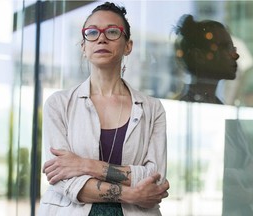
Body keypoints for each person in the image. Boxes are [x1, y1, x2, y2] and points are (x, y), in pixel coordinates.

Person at [38, 2, 169, 216]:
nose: (101, 38)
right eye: (92, 32)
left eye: (112, 31)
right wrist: (131, 194)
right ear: (83, 46)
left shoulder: (153, 108)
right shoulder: (58, 104)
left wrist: (84, 165)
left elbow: (155, 176)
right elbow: (62, 179)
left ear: (128, 45)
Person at [174, 14, 239, 104]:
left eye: (233, 49)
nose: (235, 55)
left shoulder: (214, 105)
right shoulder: (184, 107)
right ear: (199, 56)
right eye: (226, 48)